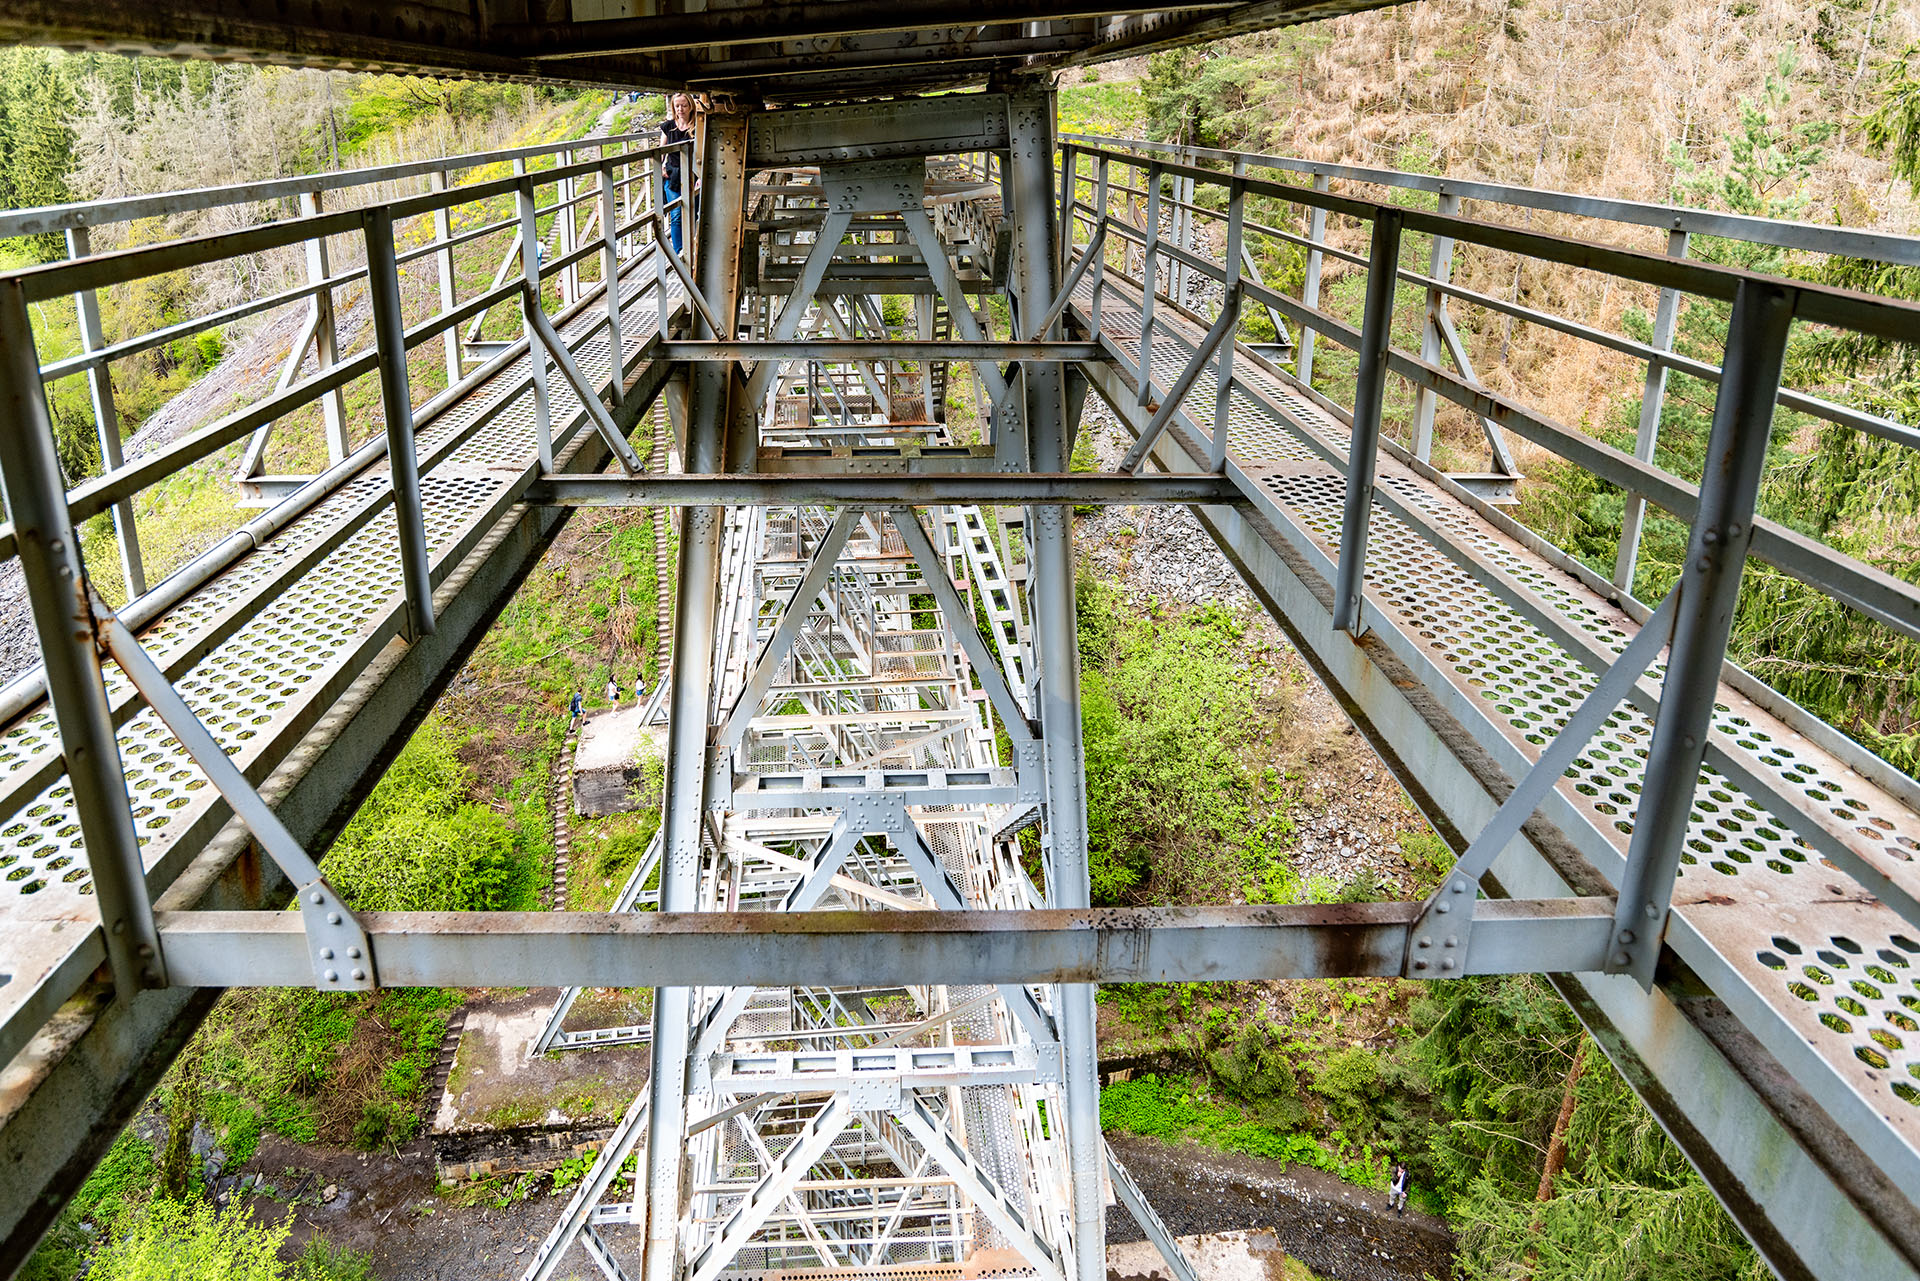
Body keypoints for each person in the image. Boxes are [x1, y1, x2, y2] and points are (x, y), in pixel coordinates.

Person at [660, 92, 696, 254]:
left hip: (692, 175)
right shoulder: (668, 127)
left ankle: (691, 246)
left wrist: (701, 176)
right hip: (672, 174)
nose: (680, 109)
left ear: (690, 107)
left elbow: (703, 152)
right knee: (676, 214)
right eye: (677, 106)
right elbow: (661, 150)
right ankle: (679, 251)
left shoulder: (698, 126)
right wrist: (660, 166)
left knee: (692, 212)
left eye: (684, 105)